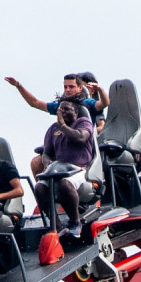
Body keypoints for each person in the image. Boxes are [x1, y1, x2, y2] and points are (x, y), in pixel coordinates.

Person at [31, 94, 102, 236]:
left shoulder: (83, 123)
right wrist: (47, 162)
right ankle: (57, 226)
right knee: (39, 187)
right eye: (60, 109)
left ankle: (76, 222)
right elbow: (47, 152)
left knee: (65, 184)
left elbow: (81, 137)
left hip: (80, 170)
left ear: (76, 111)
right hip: (58, 170)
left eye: (66, 109)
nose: (62, 111)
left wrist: (63, 126)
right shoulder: (53, 129)